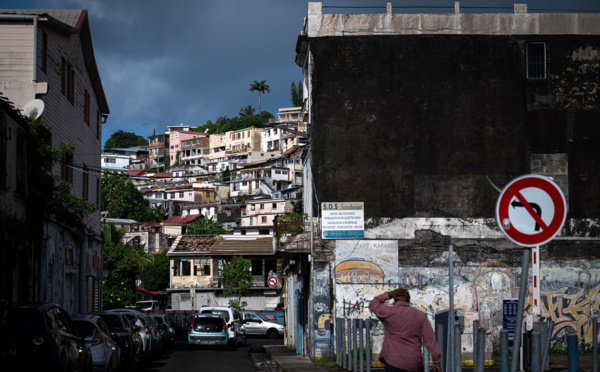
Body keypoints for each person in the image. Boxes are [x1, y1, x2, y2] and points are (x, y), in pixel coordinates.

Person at [368, 288, 441, 372]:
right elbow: (430, 340)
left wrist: (389, 294)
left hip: (393, 362)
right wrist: (436, 362)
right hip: (414, 362)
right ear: (409, 299)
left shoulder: (388, 312)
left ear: (394, 299)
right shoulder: (421, 316)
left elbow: (373, 304)